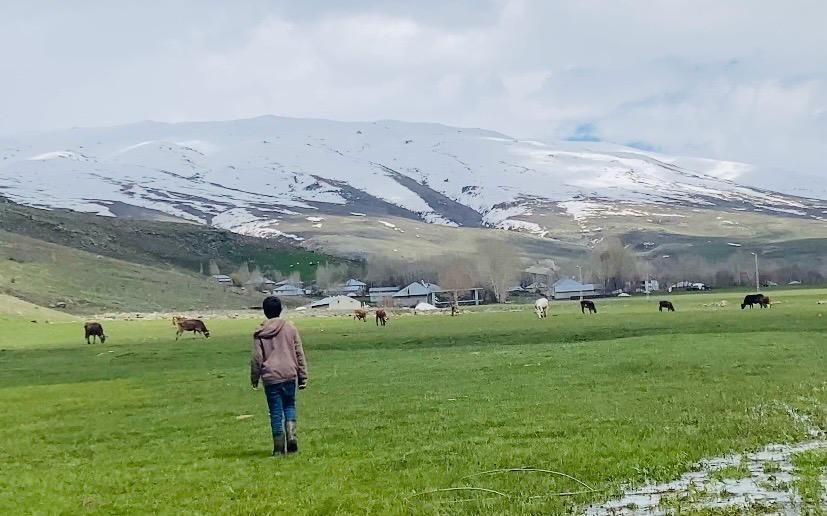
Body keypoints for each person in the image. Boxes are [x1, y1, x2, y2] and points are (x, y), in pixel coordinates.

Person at [251, 296, 308, 456]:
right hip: (289, 373)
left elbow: (257, 358)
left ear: (265, 311)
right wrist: (302, 376)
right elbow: (299, 353)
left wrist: (254, 377)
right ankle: (292, 436)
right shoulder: (290, 328)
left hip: (271, 377)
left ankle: (278, 448)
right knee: (289, 406)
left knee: (275, 411)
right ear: (281, 310)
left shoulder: (260, 332)